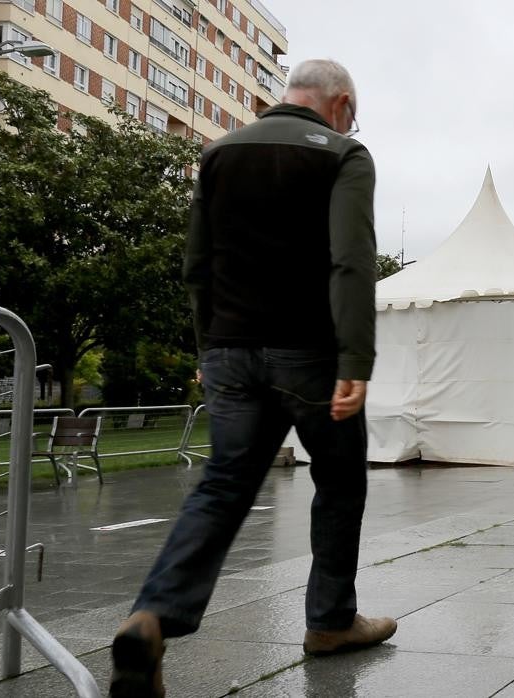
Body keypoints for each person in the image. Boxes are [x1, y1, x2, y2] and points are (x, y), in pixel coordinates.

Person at [109, 59, 392, 698]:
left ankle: (151, 616)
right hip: (311, 354)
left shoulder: (217, 154)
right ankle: (330, 623)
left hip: (231, 351)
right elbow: (350, 261)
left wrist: (210, 349)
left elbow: (196, 263)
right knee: (340, 481)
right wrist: (356, 361)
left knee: (223, 484)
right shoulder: (345, 155)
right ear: (340, 102)